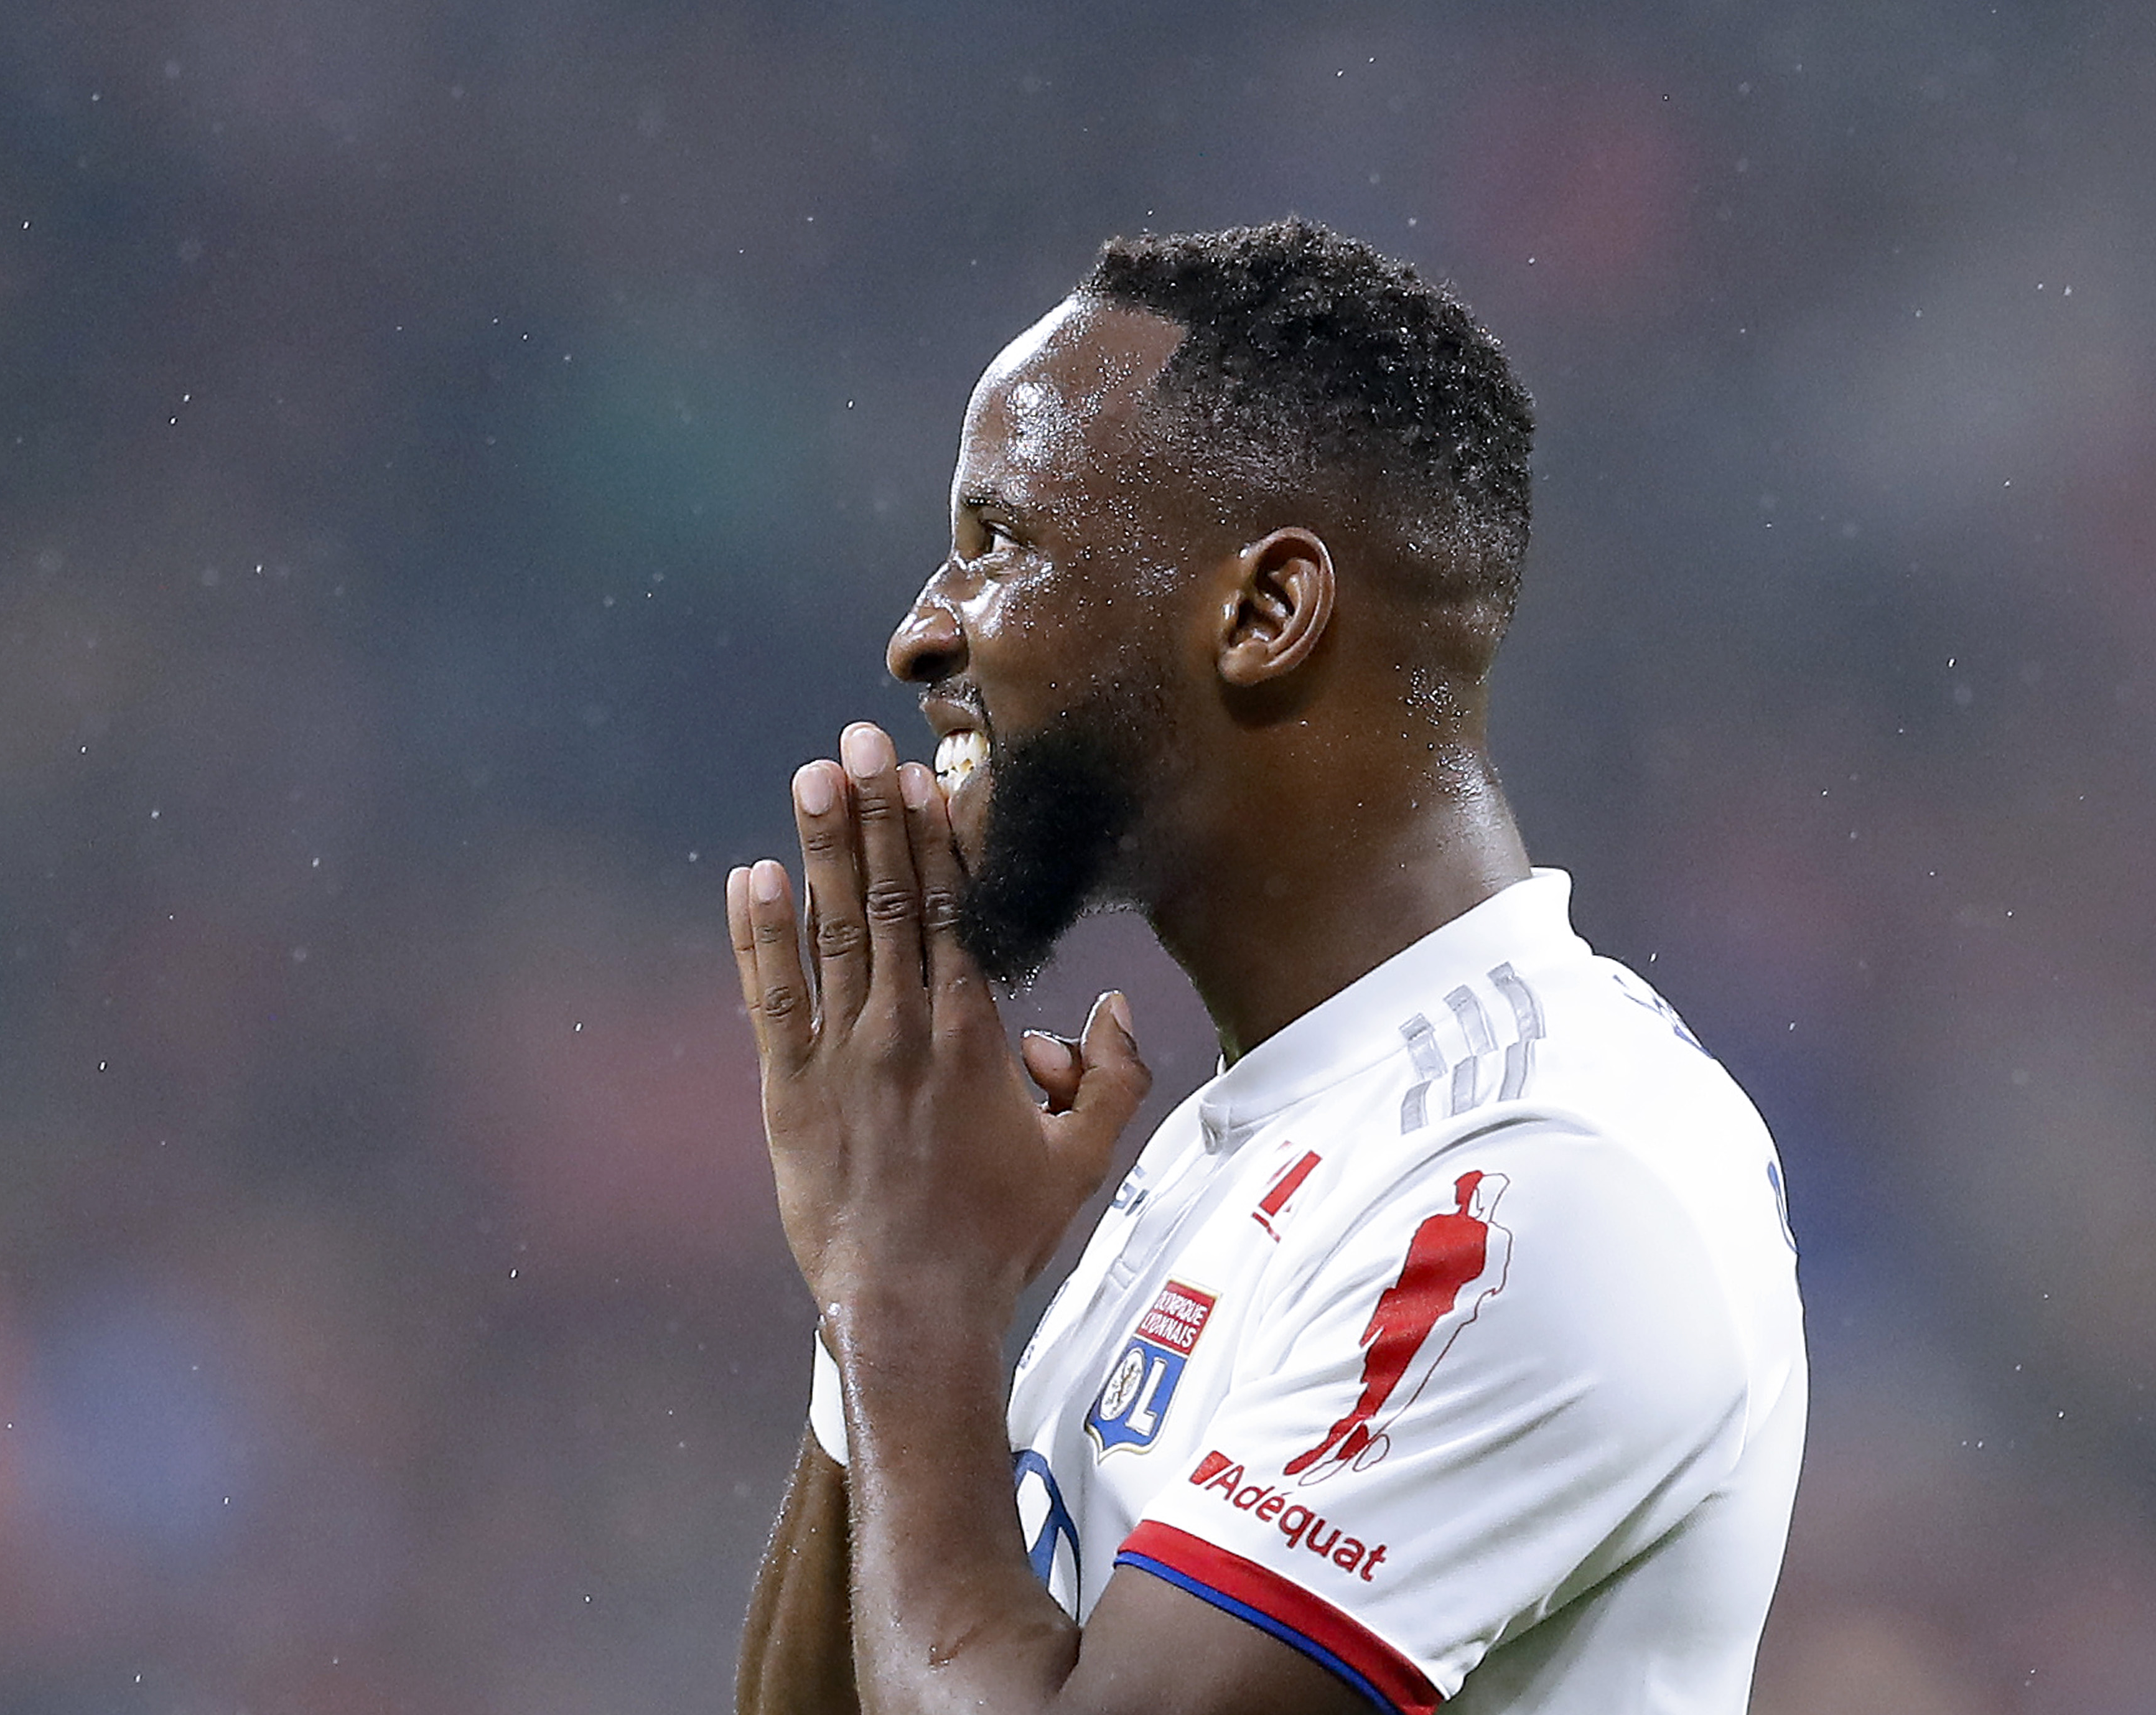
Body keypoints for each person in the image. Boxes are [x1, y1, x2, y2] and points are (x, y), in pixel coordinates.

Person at [724, 219, 1805, 1715]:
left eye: (1000, 541)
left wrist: (905, 1294)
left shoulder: (1535, 1182)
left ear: (1263, 615)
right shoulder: (1246, 1150)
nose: (922, 631)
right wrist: (878, 1315)